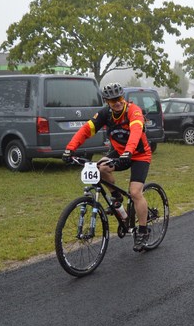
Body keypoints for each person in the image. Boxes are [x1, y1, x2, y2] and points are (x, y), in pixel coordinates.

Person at [62, 83, 154, 252]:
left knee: (135, 192)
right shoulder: (105, 114)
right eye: (112, 100)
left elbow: (135, 132)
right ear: (107, 102)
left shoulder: (133, 111)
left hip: (139, 155)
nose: (117, 103)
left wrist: (128, 152)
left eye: (119, 98)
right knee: (100, 168)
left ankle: (142, 231)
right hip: (119, 152)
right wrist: (70, 148)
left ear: (123, 98)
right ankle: (117, 200)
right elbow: (85, 130)